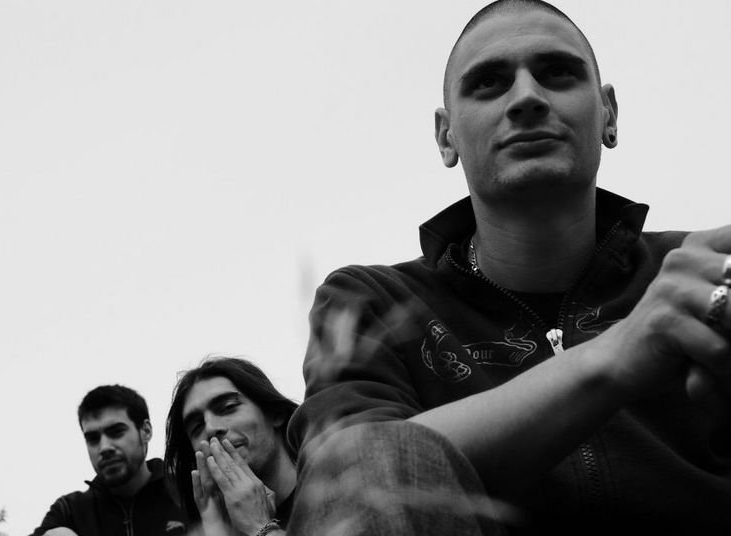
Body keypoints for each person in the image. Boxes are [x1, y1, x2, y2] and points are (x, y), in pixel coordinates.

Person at [286, 1, 731, 534]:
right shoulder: (375, 301)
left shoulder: (702, 276)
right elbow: (348, 482)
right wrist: (619, 354)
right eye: (488, 83)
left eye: (557, 72)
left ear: (608, 114)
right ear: (446, 137)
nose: (526, 98)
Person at [164, 357, 298, 536]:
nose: (210, 428)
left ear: (275, 413)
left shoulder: (330, 485)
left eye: (228, 407)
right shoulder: (213, 526)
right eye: (197, 427)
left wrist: (258, 526)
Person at [30, 385, 187, 536]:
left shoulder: (187, 492)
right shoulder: (69, 512)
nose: (104, 447)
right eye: (93, 438)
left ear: (146, 431)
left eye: (116, 432)